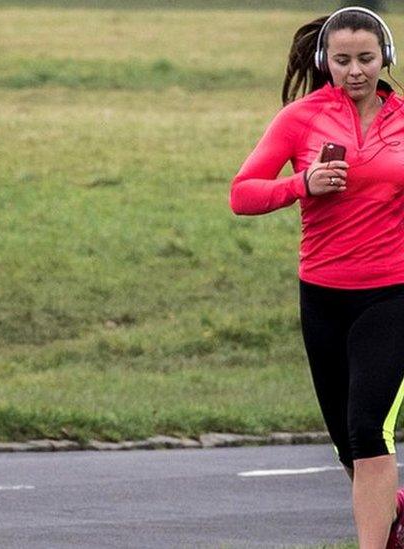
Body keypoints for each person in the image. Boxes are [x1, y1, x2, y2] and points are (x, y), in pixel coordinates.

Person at [230, 6, 404, 548]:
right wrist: (301, 183)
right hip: (324, 296)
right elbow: (243, 193)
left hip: (393, 293)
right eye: (343, 59)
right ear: (326, 59)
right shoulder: (300, 118)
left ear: (387, 58)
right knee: (346, 444)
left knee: (368, 429)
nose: (355, 70)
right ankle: (394, 512)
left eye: (367, 59)